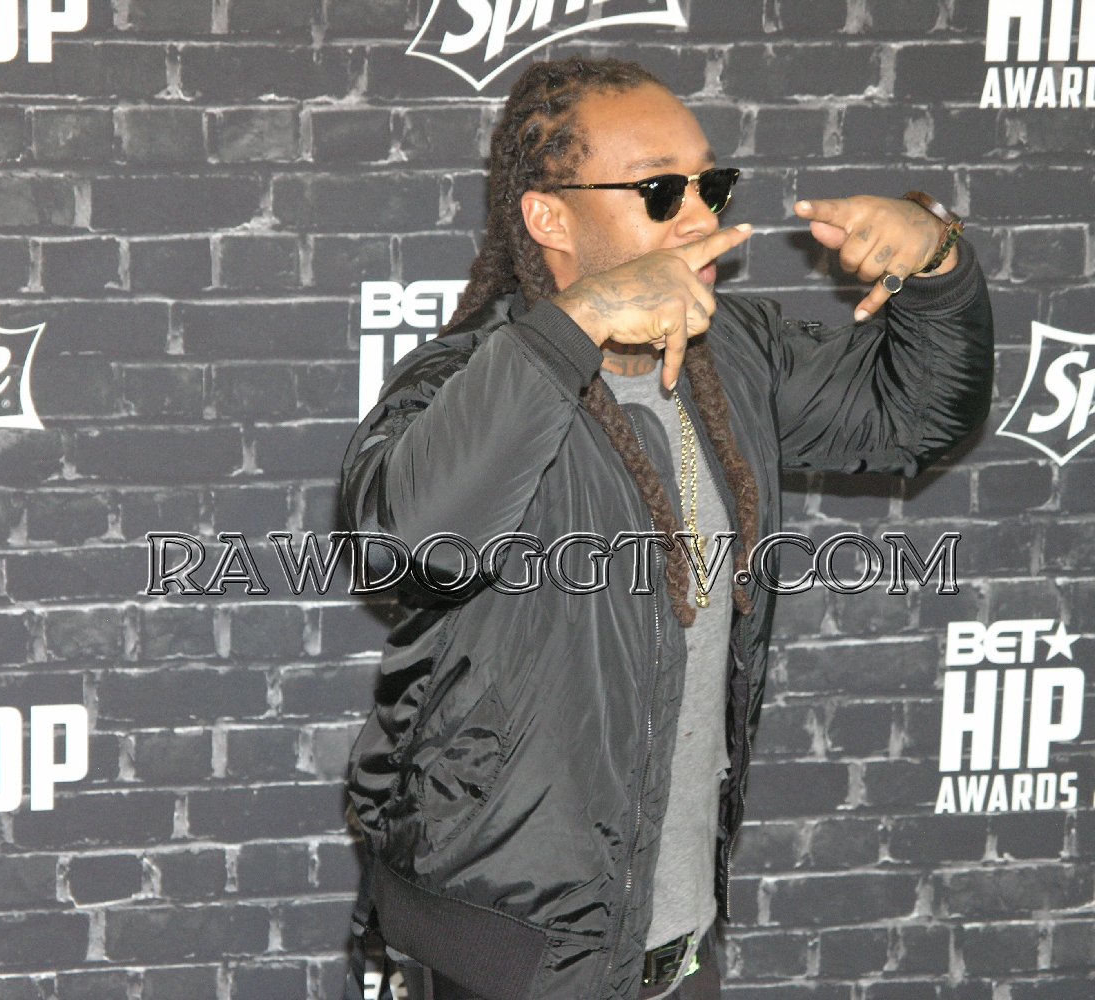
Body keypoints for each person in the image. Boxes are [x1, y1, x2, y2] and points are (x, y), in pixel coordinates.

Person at [337, 56, 993, 1000]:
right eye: (658, 191)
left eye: (708, 184)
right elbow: (405, 546)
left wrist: (936, 262)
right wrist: (580, 321)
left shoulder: (736, 355)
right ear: (549, 218)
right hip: (509, 954)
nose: (695, 215)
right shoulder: (473, 380)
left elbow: (913, 415)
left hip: (672, 943)